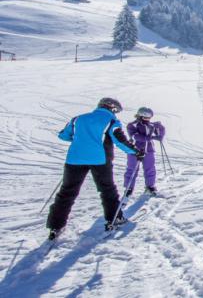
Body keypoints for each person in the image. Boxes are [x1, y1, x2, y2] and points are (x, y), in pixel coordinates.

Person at [46, 97, 142, 239]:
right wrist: (136, 152)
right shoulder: (112, 121)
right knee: (107, 190)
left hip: (75, 159)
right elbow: (120, 141)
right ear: (113, 109)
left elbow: (63, 135)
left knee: (67, 191)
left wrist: (81, 139)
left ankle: (55, 226)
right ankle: (114, 218)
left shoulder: (78, 119)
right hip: (100, 160)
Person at [124, 107, 165, 197]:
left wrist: (160, 127)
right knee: (132, 169)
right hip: (134, 150)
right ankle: (129, 188)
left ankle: (150, 186)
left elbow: (160, 135)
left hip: (149, 150)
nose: (148, 120)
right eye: (146, 117)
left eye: (149, 118)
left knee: (150, 168)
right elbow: (135, 136)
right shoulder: (132, 125)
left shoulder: (151, 125)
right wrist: (150, 138)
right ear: (140, 116)